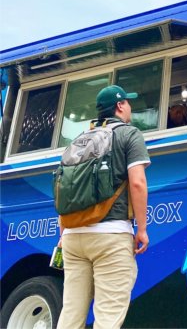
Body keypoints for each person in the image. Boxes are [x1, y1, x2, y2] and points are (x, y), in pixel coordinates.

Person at [56, 85, 150, 329]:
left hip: (73, 238)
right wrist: (141, 229)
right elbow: (138, 183)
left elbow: (65, 190)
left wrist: (64, 234)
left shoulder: (78, 140)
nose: (130, 107)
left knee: (71, 315)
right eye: (127, 102)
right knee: (108, 317)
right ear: (120, 106)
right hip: (110, 236)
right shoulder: (129, 134)